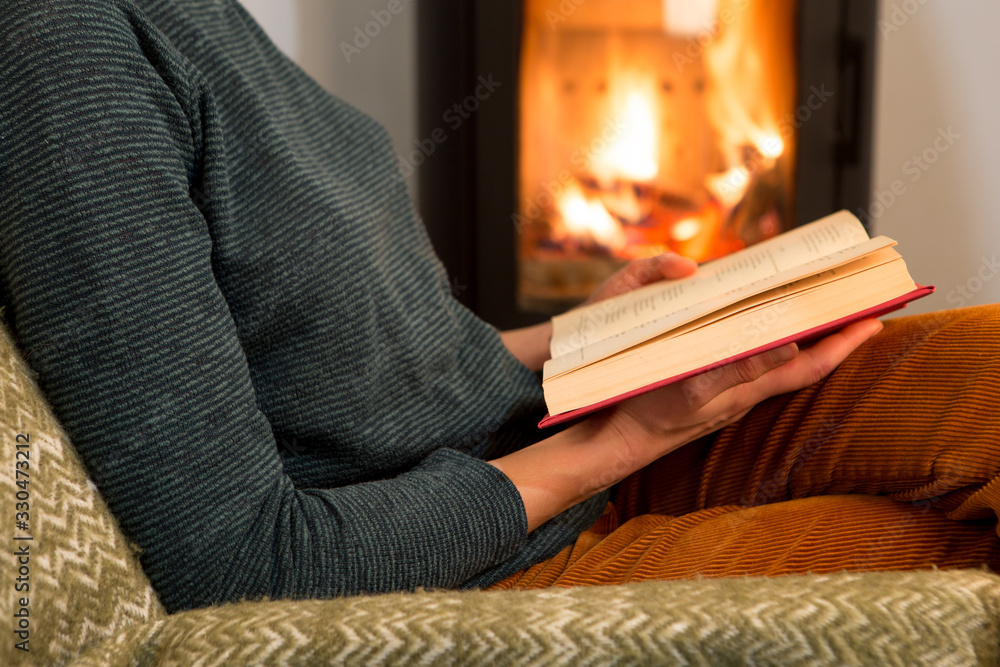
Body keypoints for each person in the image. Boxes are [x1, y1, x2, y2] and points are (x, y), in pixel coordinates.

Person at [2, 0, 997, 615]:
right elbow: (235, 564)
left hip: (549, 432)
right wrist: (624, 440)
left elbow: (325, 358)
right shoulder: (60, 50)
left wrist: (581, 333)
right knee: (959, 560)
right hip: (487, 553)